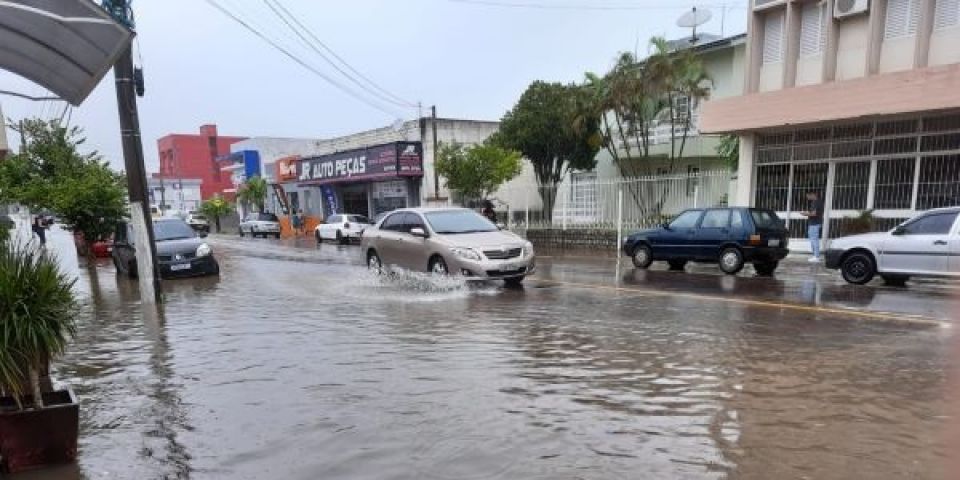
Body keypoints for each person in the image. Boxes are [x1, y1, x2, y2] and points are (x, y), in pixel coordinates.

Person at [801, 191, 825, 263]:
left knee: (814, 240)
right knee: (813, 239)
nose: (807, 197)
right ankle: (815, 255)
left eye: (808, 195)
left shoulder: (816, 202)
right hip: (814, 223)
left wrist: (805, 214)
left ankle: (816, 256)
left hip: (815, 223)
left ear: (813, 194)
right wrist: (808, 213)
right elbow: (814, 213)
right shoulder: (817, 202)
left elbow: (814, 214)